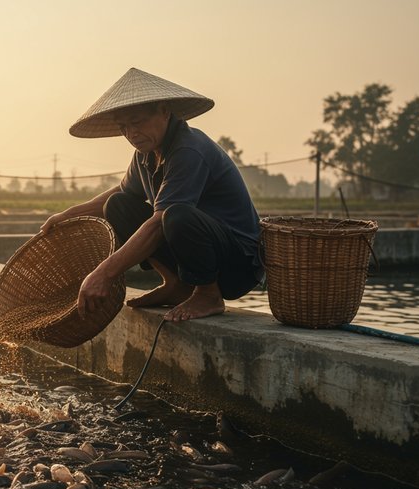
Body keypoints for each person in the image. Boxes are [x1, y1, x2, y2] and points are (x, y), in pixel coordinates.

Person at [41, 68, 263, 322]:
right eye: (123, 127)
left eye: (137, 122)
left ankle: (208, 293)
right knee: (119, 205)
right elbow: (122, 192)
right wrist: (66, 215)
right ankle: (176, 283)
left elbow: (159, 224)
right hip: (199, 249)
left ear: (164, 111)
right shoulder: (146, 153)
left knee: (176, 215)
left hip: (238, 263)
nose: (131, 134)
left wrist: (104, 273)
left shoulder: (188, 149)